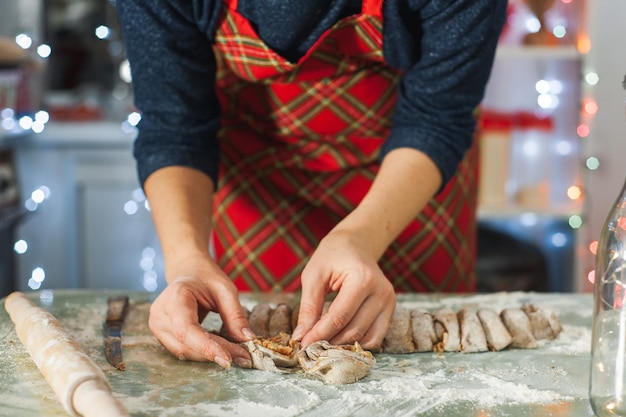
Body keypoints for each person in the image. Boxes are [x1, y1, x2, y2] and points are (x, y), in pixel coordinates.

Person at [116, 0, 507, 370]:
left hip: (407, 178)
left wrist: (363, 235)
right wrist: (186, 260)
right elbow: (174, 126)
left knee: (427, 360)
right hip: (260, 177)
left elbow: (437, 117)